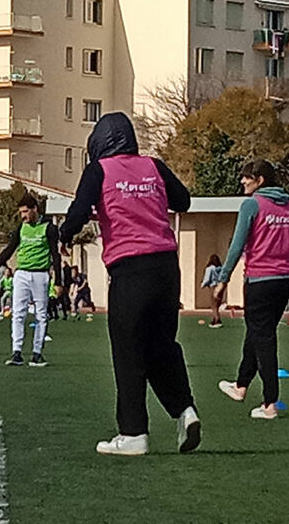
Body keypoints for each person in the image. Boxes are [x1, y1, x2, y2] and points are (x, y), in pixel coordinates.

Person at [60, 111, 199, 456]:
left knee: (129, 351)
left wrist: (63, 234)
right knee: (162, 346)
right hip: (167, 267)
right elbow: (183, 201)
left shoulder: (99, 170)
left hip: (129, 268)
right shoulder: (153, 165)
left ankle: (133, 433)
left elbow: (78, 211)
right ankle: (186, 410)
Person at [214, 159, 289, 421]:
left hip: (260, 280)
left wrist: (223, 279)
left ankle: (269, 403)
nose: (242, 181)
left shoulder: (252, 204)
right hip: (286, 279)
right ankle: (241, 386)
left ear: (260, 180)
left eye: (247, 177)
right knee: (258, 331)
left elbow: (237, 244)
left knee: (263, 336)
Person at [0, 192, 62, 368]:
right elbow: (9, 250)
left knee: (41, 315)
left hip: (40, 274)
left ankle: (37, 354)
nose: (23, 216)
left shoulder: (49, 228)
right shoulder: (21, 228)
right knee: (18, 313)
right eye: (21, 212)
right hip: (21, 274)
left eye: (26, 212)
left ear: (35, 209)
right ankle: (17, 352)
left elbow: (55, 255)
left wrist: (58, 281)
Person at [201, 255, 224, 327]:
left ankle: (217, 320)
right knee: (217, 303)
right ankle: (213, 319)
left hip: (213, 286)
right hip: (220, 287)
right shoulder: (221, 268)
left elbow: (207, 278)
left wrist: (203, 284)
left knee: (213, 305)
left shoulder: (210, 268)